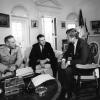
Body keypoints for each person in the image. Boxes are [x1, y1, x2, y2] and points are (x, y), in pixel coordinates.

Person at [58, 28, 94, 99]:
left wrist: (69, 62)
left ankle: (69, 92)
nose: (66, 38)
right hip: (77, 65)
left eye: (67, 37)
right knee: (60, 66)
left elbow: (83, 61)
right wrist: (63, 60)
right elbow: (66, 53)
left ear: (73, 37)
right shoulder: (71, 44)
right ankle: (63, 88)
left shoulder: (83, 43)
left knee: (67, 70)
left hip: (86, 67)